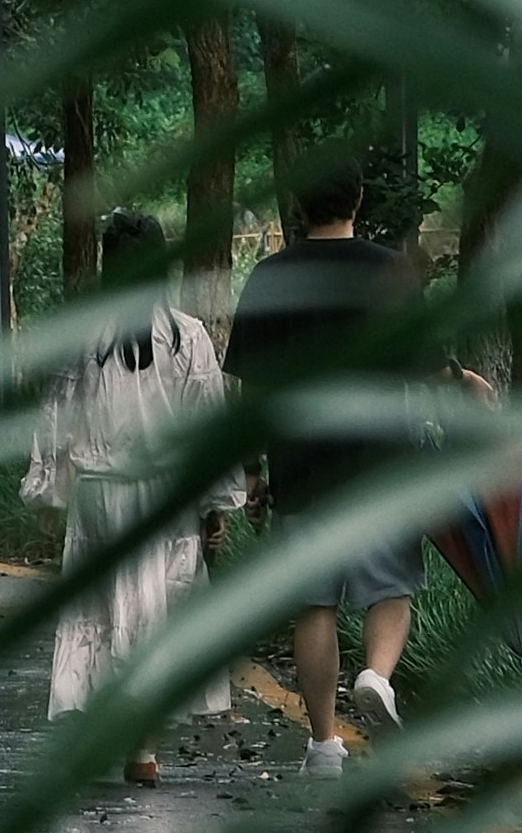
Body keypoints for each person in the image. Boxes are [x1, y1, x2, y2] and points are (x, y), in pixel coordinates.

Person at [23, 211, 235, 781]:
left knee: (100, 613)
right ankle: (141, 746)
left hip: (98, 496)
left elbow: (56, 422)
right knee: (153, 614)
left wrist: (50, 494)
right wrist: (213, 503)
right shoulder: (187, 337)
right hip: (165, 501)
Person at [227, 158, 418, 768]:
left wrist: (252, 471)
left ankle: (322, 744)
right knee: (391, 587)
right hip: (383, 459)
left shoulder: (269, 277)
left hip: (301, 464)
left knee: (314, 604)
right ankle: (378, 677)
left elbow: (251, 392)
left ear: (298, 206)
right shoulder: (390, 269)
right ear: (357, 201)